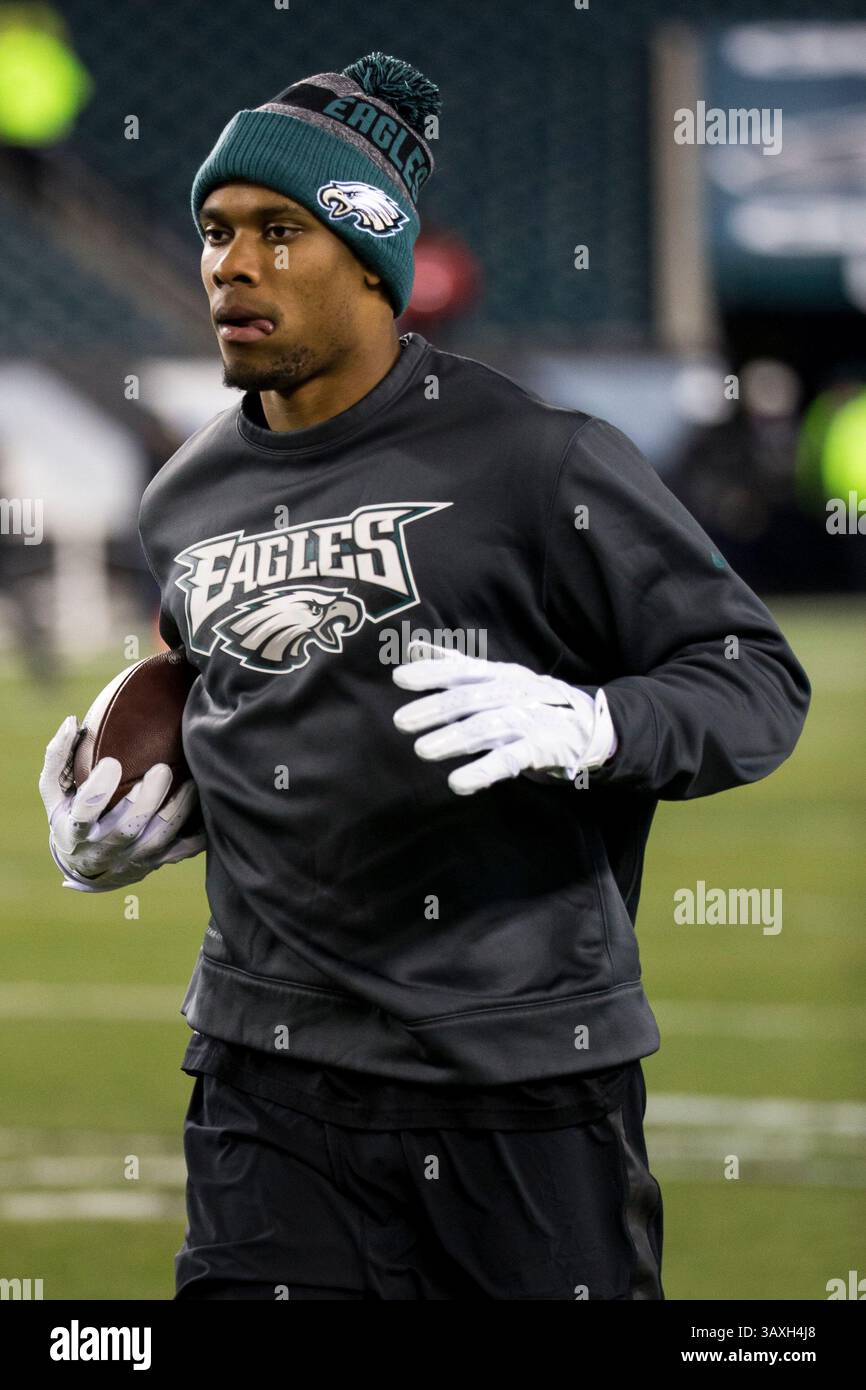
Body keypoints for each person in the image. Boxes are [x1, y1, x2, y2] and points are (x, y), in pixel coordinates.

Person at [38, 52, 810, 1301]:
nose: (231, 264)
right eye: (216, 231)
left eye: (279, 231)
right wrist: (116, 829)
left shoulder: (536, 457)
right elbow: (218, 695)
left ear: (371, 262)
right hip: (264, 1075)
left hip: (515, 1081)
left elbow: (752, 676)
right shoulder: (184, 494)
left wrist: (597, 723)